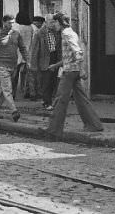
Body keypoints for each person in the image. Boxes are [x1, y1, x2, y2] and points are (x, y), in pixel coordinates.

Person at [45, 12, 103, 140]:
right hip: (73, 70)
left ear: (59, 23)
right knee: (81, 99)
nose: (53, 25)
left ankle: (54, 130)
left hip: (70, 72)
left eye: (54, 22)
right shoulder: (70, 32)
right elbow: (71, 55)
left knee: (60, 99)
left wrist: (81, 68)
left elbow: (77, 52)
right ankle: (94, 124)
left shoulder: (66, 33)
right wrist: (56, 65)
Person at [0, 14, 29, 122]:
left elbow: (23, 48)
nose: (11, 25)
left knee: (3, 90)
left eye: (12, 23)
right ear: (4, 22)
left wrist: (27, 60)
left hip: (13, 66)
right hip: (1, 66)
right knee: (8, 89)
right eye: (9, 23)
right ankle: (14, 111)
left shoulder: (16, 35)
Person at [34, 15, 60, 111]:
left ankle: (47, 99)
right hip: (44, 59)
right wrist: (34, 63)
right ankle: (47, 102)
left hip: (54, 57)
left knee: (53, 81)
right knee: (46, 81)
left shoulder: (56, 32)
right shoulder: (39, 33)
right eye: (51, 22)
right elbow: (35, 49)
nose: (53, 24)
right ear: (46, 22)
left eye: (54, 22)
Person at [11, 12, 35, 99]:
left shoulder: (16, 28)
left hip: (17, 53)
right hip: (28, 53)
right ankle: (30, 93)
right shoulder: (31, 28)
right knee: (29, 76)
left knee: (14, 75)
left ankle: (12, 93)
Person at [25, 16, 46, 100]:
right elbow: (35, 46)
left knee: (30, 76)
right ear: (38, 22)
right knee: (34, 76)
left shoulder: (29, 28)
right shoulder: (36, 31)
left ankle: (28, 92)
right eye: (41, 23)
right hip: (32, 54)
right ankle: (33, 94)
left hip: (28, 54)